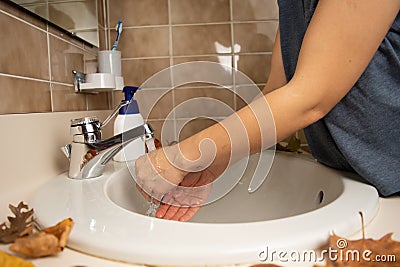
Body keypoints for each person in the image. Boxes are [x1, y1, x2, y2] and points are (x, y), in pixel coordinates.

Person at [135, 0, 400, 222]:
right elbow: (277, 92)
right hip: (361, 182)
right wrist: (216, 160)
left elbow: (310, 98)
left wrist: (183, 155)